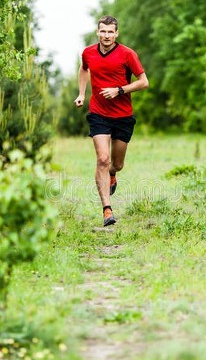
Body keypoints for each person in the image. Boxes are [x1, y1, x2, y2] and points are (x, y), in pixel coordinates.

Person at [74, 15, 149, 227]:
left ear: (116, 34)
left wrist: (119, 90)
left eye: (110, 32)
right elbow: (84, 69)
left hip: (123, 115)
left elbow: (144, 82)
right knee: (102, 159)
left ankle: (113, 175)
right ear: (98, 32)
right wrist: (81, 93)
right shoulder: (88, 53)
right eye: (103, 31)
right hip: (98, 113)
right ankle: (107, 209)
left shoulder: (127, 54)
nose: (106, 35)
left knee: (116, 164)